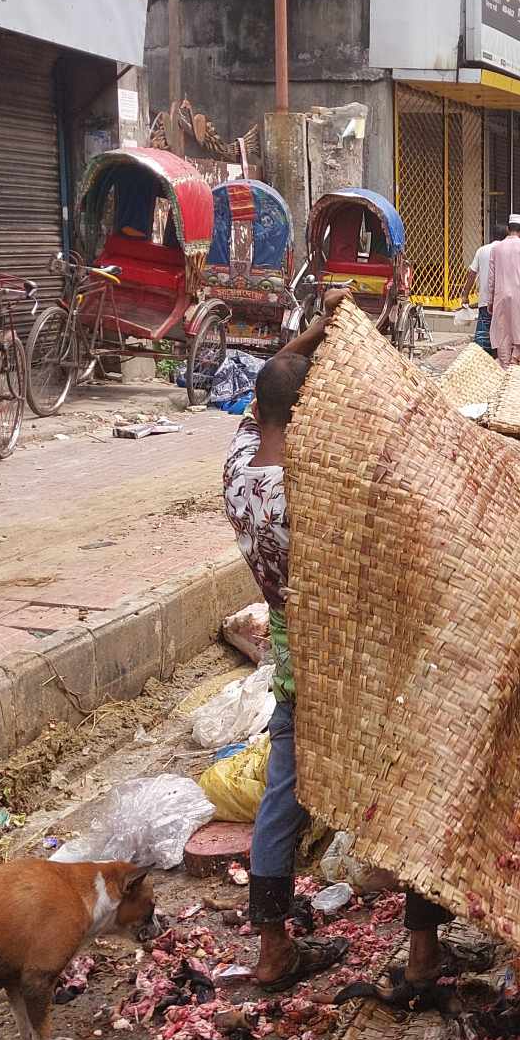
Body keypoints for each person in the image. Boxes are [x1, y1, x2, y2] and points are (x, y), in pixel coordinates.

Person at [222, 288, 352, 988]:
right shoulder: (311, 494)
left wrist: (315, 334)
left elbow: (273, 376)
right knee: (412, 784)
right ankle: (424, 951)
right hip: (344, 659)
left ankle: (273, 945)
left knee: (282, 793)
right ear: (305, 416)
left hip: (292, 654)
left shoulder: (238, 470)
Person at [487, 213, 520, 365]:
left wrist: (490, 299)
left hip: (500, 294)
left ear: (508, 229)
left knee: (502, 331)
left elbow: (491, 278)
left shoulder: (496, 248)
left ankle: (504, 363)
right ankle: (515, 359)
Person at [467, 225, 502, 352]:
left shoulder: (482, 250)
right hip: (503, 302)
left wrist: (465, 295)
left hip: (484, 301)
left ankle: (482, 363)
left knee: (482, 340)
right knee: (502, 338)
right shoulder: (507, 251)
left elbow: (471, 273)